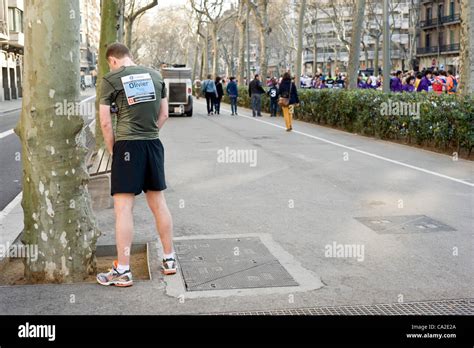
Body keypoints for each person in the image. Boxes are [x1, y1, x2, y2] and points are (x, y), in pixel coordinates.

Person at [96, 43, 176, 287]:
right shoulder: (155, 76)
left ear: (112, 60)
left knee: (123, 209)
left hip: (127, 146)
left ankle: (123, 270)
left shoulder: (111, 79)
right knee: (158, 203)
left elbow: (105, 123)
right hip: (153, 145)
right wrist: (150, 135)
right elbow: (164, 115)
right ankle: (169, 258)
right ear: (129, 55)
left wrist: (114, 150)